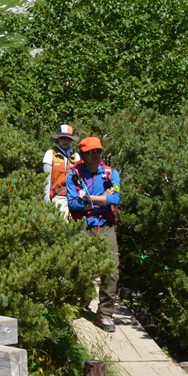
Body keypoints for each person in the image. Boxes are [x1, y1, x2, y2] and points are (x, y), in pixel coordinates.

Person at [67, 136, 121, 333]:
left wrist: (90, 200)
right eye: (91, 152)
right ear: (82, 154)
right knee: (80, 266)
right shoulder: (74, 174)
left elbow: (116, 198)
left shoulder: (110, 173)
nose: (96, 155)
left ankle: (105, 314)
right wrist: (102, 200)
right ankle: (78, 304)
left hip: (106, 225)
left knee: (112, 270)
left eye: (98, 151)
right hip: (82, 224)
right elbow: (73, 203)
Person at [42, 125, 79, 217]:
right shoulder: (50, 154)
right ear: (58, 139)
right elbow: (46, 179)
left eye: (68, 138)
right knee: (64, 224)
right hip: (58, 196)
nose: (65, 141)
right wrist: (46, 200)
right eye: (63, 138)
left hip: (75, 197)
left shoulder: (76, 156)